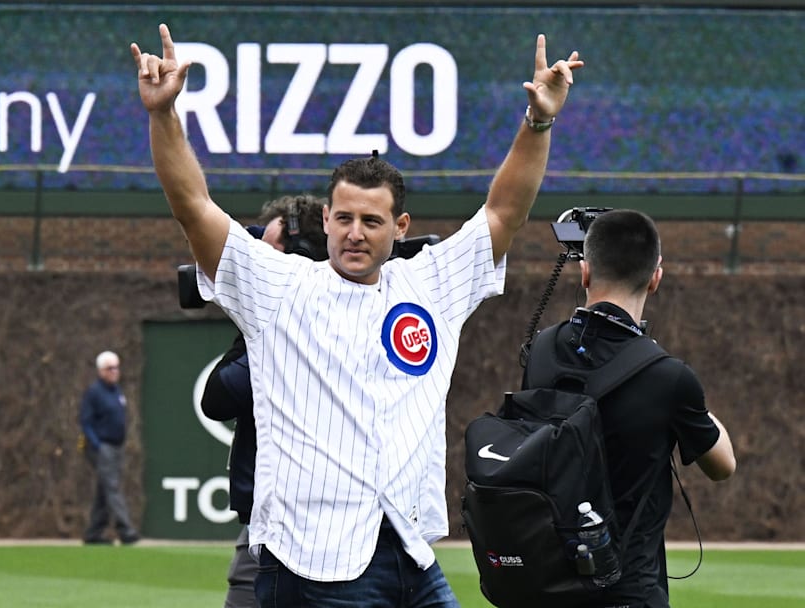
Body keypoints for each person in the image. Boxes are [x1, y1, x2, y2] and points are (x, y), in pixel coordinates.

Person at [131, 23, 583, 606]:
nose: (353, 233)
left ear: (399, 229)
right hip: (309, 563)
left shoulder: (429, 285)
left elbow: (503, 212)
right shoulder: (279, 287)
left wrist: (539, 122)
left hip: (411, 554)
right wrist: (164, 116)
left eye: (371, 222)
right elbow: (194, 207)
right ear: (325, 221)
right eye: (343, 218)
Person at [522, 209, 736, 608]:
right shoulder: (668, 377)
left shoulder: (542, 350)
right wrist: (685, 398)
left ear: (585, 272)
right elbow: (723, 466)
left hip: (549, 584)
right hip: (630, 590)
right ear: (656, 277)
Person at [201, 195, 328, 608]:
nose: (260, 260)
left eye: (272, 249)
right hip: (277, 518)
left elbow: (218, 397)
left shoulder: (298, 321)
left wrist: (254, 325)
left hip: (298, 526)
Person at [79, 350, 140, 545]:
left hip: (116, 446)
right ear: (101, 370)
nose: (114, 371)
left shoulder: (117, 391)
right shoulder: (94, 392)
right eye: (110, 368)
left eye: (116, 367)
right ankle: (126, 530)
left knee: (104, 489)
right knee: (112, 486)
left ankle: (93, 533)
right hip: (102, 446)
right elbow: (85, 422)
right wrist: (97, 444)